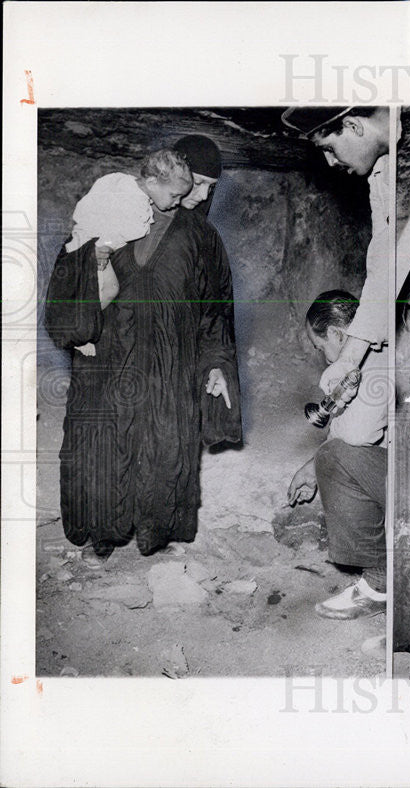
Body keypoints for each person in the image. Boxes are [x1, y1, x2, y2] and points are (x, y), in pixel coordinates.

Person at [44, 134, 241, 558]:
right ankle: (101, 533)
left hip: (168, 367)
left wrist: (217, 365)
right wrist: (90, 264)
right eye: (198, 183)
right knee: (99, 444)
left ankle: (156, 531)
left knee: (163, 445)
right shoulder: (112, 213)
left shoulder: (203, 238)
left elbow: (216, 311)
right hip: (106, 360)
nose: (201, 195)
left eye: (210, 188)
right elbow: (69, 270)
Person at [287, 290, 391, 620]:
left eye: (322, 348)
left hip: (409, 476)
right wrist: (310, 466)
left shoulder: (373, 362)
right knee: (331, 455)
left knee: (334, 458)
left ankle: (378, 586)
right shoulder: (373, 350)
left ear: (337, 334)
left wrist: (320, 462)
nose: (325, 358)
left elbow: (359, 436)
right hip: (398, 466)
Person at [281, 106, 393, 395]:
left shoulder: (409, 156)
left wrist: (348, 359)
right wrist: (348, 361)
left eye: (329, 148)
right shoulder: (381, 173)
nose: (330, 162)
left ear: (354, 126)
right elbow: (384, 266)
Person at [66, 150, 194, 352]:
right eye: (174, 195)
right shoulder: (134, 205)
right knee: (108, 289)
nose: (176, 202)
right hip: (95, 247)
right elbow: (112, 227)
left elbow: (88, 206)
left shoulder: (120, 181)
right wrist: (101, 247)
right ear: (152, 183)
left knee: (97, 290)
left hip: (85, 238)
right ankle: (79, 328)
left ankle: (80, 324)